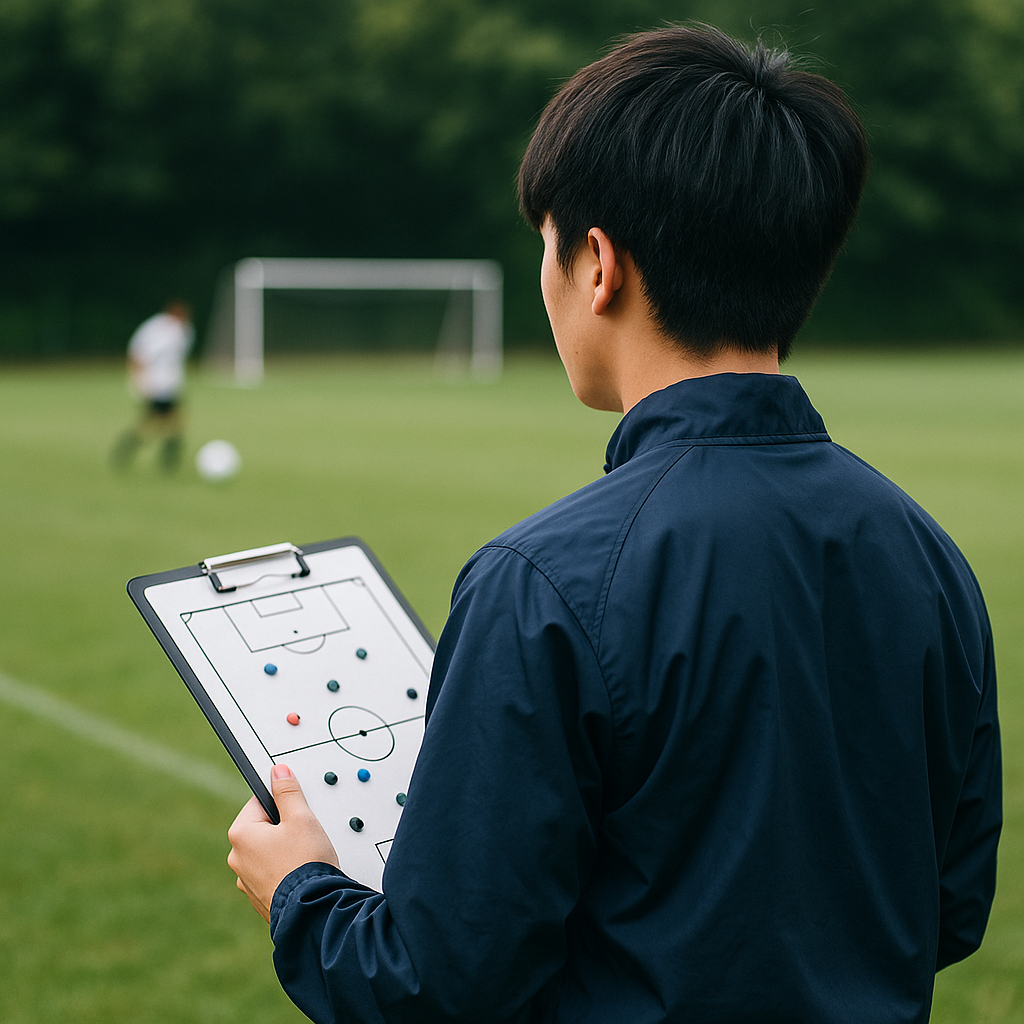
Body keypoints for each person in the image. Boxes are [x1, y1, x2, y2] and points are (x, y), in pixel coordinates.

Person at [227, 24, 1001, 1024]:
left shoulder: (543, 578)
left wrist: (296, 889)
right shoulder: (925, 551)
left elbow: (431, 985)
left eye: (543, 245)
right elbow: (947, 910)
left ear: (597, 264)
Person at [110, 300, 194, 472]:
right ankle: (162, 463)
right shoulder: (155, 330)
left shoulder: (185, 332)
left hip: (170, 387)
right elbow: (138, 355)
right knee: (156, 426)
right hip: (155, 387)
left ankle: (166, 464)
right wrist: (140, 383)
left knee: (168, 425)